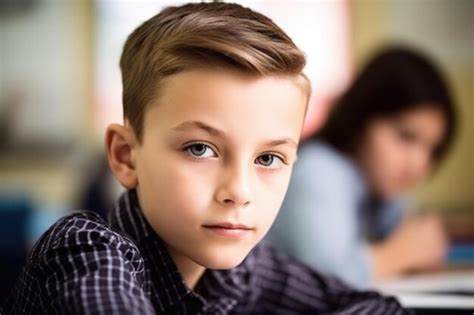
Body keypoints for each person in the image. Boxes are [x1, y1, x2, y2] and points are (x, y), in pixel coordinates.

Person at [1, 3, 408, 314]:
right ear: (126, 156)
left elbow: (377, 306)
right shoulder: (82, 249)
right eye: (200, 149)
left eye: (268, 158)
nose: (239, 192)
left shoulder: (242, 270)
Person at [266, 47, 457, 288]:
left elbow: (413, 236)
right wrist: (404, 252)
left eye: (432, 149)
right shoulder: (319, 170)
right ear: (362, 122)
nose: (419, 164)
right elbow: (330, 279)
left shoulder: (379, 190)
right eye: (406, 136)